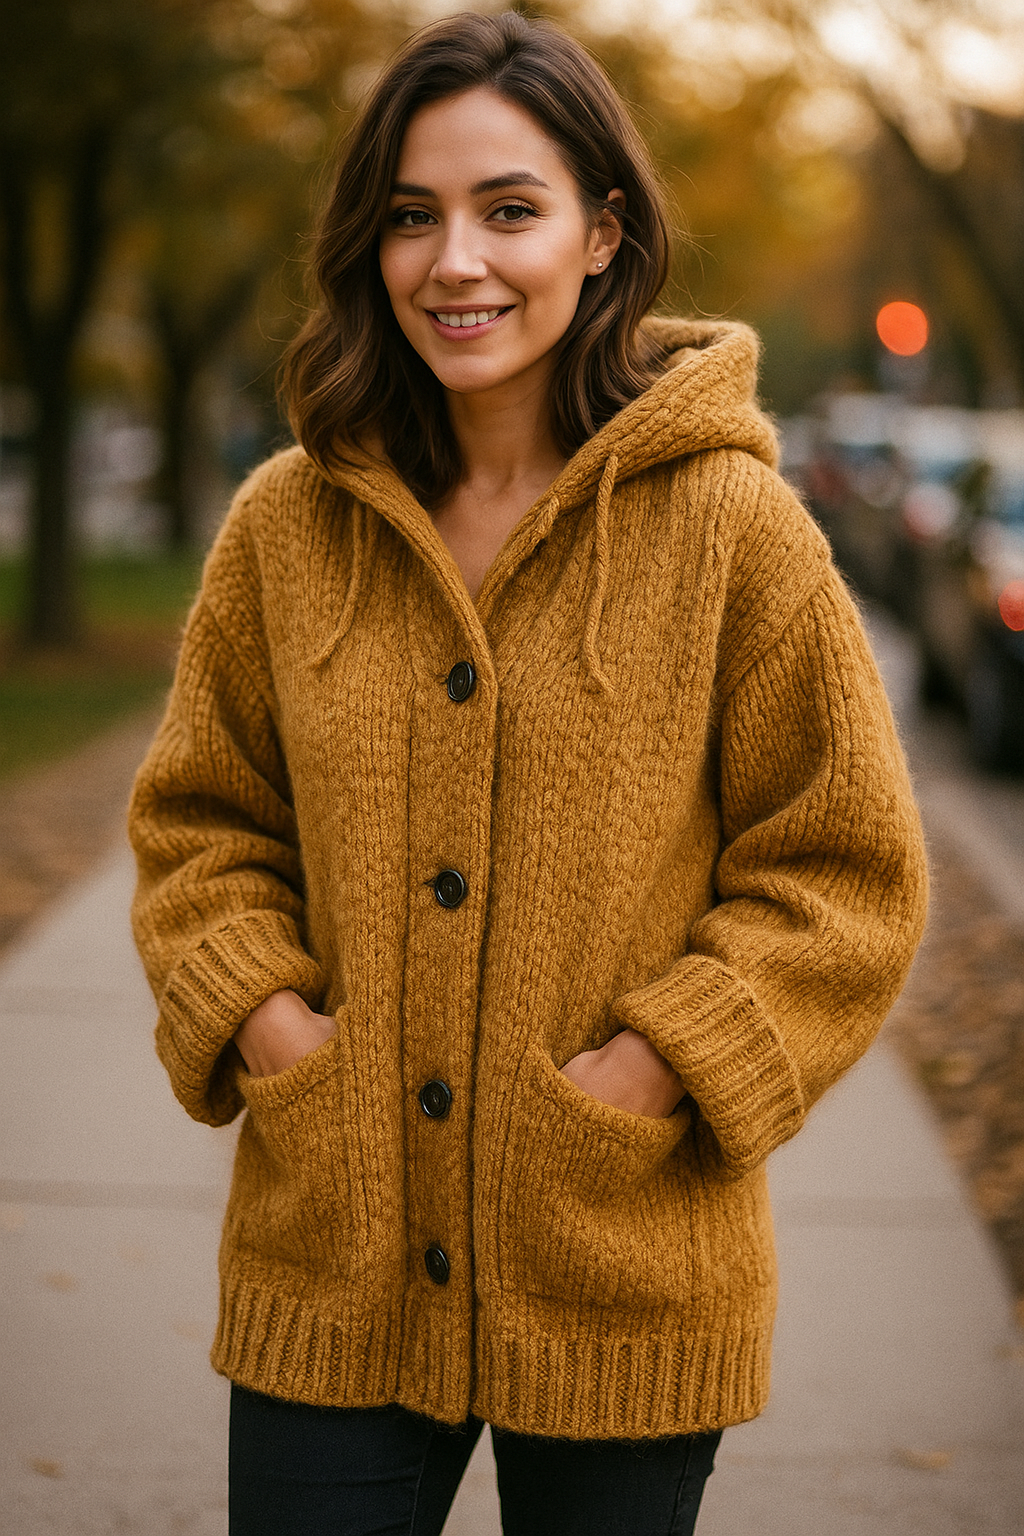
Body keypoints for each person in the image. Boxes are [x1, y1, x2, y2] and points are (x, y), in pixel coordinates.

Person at [128, 11, 928, 1535]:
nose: (457, 264)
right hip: (334, 1247)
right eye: (412, 217)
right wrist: (275, 1028)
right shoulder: (287, 531)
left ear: (603, 231)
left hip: (624, 1255)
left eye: (510, 209)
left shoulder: (731, 533)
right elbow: (200, 824)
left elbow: (844, 870)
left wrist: (654, 1068)